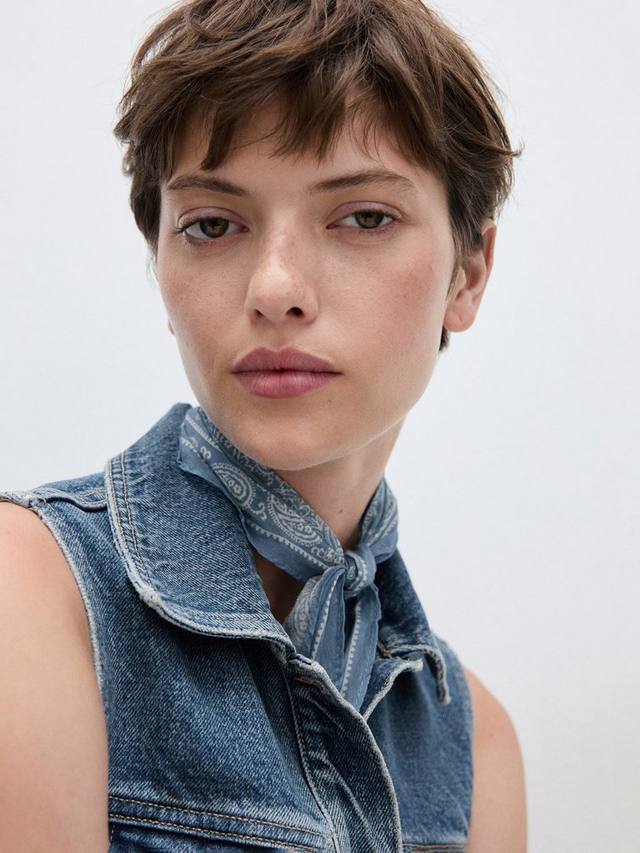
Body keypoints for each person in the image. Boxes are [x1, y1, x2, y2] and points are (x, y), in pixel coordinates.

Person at [0, 0, 527, 850]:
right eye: (212, 225)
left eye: (364, 217)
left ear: (467, 275)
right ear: (161, 261)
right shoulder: (30, 594)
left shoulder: (473, 748)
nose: (274, 287)